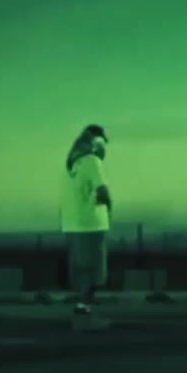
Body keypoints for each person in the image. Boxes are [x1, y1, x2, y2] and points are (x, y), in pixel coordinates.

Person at [61, 124, 112, 324]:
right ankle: (84, 308)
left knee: (81, 269)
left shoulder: (71, 163)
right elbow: (102, 191)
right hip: (92, 224)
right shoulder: (93, 161)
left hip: (72, 223)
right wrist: (109, 207)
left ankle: (82, 306)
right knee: (96, 271)